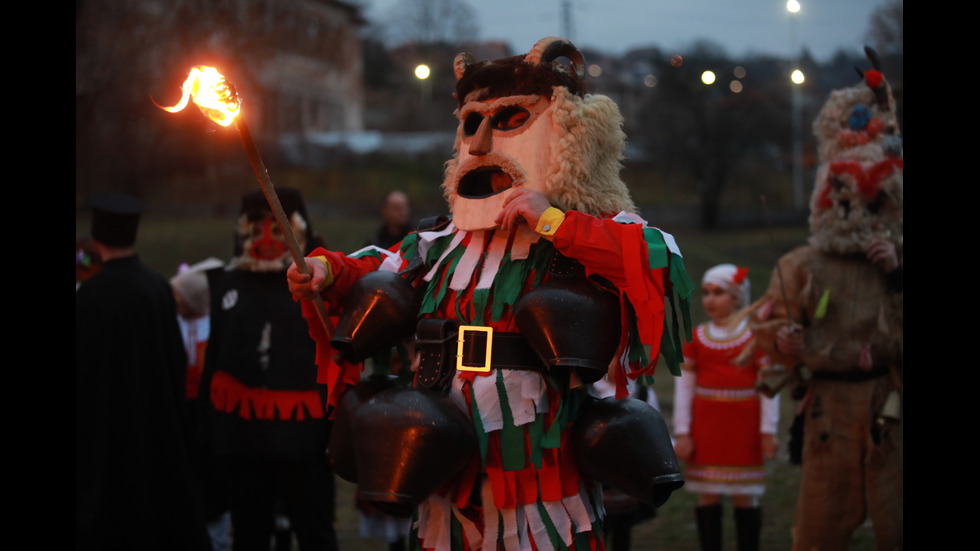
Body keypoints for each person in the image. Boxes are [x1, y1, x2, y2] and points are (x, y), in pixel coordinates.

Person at [288, 37, 694, 551]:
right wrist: (323, 272)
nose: (479, 145)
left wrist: (552, 221)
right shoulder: (438, 243)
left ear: (569, 135)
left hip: (541, 464)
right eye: (469, 123)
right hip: (444, 458)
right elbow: (373, 268)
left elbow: (660, 260)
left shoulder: (584, 231)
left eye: (507, 121)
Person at [749, 47, 903, 550]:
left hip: (890, 405)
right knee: (819, 527)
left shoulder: (895, 259)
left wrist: (897, 276)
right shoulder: (802, 265)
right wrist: (785, 342)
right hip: (829, 410)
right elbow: (765, 328)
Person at [199, 188, 339, 551]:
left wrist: (334, 428)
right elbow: (215, 357)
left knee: (314, 532)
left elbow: (338, 359)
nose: (265, 239)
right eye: (257, 228)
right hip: (243, 440)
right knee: (249, 533)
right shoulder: (227, 286)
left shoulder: (317, 289)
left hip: (304, 440)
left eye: (277, 230)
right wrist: (210, 427)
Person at [76, 192, 212, 551]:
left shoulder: (90, 297)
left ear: (97, 238)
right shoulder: (156, 288)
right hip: (156, 423)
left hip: (103, 431)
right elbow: (174, 358)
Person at [672, 264, 779, 551]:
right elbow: (684, 389)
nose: (709, 299)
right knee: (708, 494)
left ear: (737, 296)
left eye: (718, 293)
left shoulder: (756, 338)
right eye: (706, 293)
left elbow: (768, 389)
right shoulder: (697, 339)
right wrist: (683, 432)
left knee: (745, 496)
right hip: (707, 430)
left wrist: (768, 431)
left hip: (744, 430)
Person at [172, 257, 232, 551]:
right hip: (182, 418)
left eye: (180, 296)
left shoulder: (216, 326)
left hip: (211, 417)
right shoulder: (173, 326)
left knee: (213, 489)